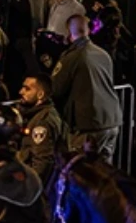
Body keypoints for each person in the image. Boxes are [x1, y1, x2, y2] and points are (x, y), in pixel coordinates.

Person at [52, 15, 122, 163]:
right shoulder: (103, 54)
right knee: (104, 173)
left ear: (69, 33)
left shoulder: (73, 56)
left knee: (82, 171)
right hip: (111, 119)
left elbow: (56, 88)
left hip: (88, 123)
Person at [16, 74, 66, 184]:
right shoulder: (34, 115)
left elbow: (42, 162)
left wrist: (31, 189)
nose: (21, 92)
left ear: (40, 95)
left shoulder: (42, 122)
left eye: (27, 89)